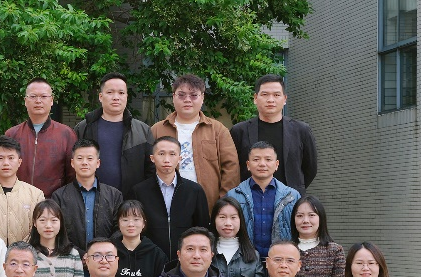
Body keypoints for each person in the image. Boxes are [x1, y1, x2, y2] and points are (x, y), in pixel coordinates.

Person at [151, 74, 239, 212]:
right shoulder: (157, 130)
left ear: (202, 97)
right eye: (181, 95)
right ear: (173, 97)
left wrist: (223, 203)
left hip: (208, 205)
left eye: (193, 95)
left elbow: (231, 168)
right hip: (165, 204)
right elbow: (148, 168)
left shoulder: (217, 130)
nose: (187, 100)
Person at [230, 74, 319, 196]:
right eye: (265, 94)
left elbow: (310, 168)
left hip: (291, 200)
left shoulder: (301, 130)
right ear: (255, 98)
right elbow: (232, 169)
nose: (270, 100)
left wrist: (295, 188)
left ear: (285, 99)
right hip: (250, 199)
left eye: (276, 95)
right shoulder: (239, 131)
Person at [129, 136, 211, 260]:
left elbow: (203, 227)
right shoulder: (139, 191)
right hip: (149, 257)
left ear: (179, 158)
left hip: (186, 259)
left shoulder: (194, 190)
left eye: (172, 154)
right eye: (161, 154)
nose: (166, 159)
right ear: (152, 158)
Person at [74, 73, 152, 195]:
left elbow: (151, 170)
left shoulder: (143, 131)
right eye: (110, 92)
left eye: (121, 93)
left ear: (126, 97)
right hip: (91, 198)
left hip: (131, 201)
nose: (116, 97)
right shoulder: (84, 128)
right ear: (101, 96)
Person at [227, 142, 301, 261]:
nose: (262, 164)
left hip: (281, 261)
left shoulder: (292, 196)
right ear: (248, 165)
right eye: (256, 159)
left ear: (276, 164)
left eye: (268, 159)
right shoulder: (234, 195)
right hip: (245, 260)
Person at [5, 77, 77, 196]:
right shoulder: (12, 134)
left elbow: (72, 174)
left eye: (43, 96)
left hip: (53, 203)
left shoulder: (66, 134)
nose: (38, 101)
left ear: (51, 100)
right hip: (18, 201)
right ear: (25, 101)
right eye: (33, 96)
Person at [52, 139, 124, 252]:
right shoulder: (59, 196)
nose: (84, 162)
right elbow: (56, 231)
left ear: (98, 163)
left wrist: (100, 252)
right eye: (80, 158)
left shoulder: (114, 195)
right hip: (71, 257)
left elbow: (120, 229)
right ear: (72, 163)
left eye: (90, 158)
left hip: (105, 258)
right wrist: (80, 254)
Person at [0, 137, 45, 246]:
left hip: (27, 253)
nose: (6, 163)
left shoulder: (36, 195)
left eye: (11, 158)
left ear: (19, 162)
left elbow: (40, 227)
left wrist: (21, 249)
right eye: (0, 158)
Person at [293, 195, 345, 277]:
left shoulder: (334, 250)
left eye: (311, 215)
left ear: (321, 218)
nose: (305, 220)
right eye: (300, 216)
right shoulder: (285, 249)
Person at [210, 198, 267, 277]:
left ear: (241, 221)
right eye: (222, 217)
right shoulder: (205, 253)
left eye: (233, 217)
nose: (228, 223)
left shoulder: (253, 255)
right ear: (214, 220)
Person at [29, 199, 84, 277]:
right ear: (34, 223)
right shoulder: (28, 254)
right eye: (42, 220)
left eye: (54, 220)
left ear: (60, 223)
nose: (48, 225)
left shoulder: (72, 254)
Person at [112, 200, 166, 277]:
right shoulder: (110, 252)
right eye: (125, 220)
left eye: (136, 219)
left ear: (143, 223)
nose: (131, 224)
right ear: (118, 223)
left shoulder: (156, 254)